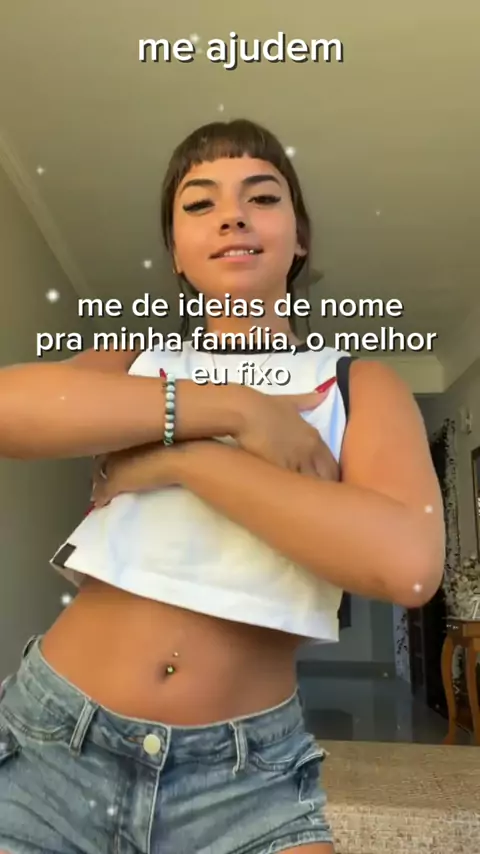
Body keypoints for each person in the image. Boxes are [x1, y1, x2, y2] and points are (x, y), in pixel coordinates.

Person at [0, 119, 445, 854]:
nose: (232, 216)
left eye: (261, 197)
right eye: (200, 203)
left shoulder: (358, 386)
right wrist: (237, 410)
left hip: (248, 781)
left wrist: (182, 462)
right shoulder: (135, 365)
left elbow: (408, 565)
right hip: (50, 741)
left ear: (299, 239)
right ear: (176, 252)